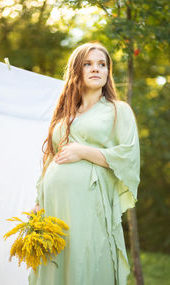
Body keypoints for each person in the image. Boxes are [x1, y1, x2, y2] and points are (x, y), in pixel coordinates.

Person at [28, 42, 140, 285]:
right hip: (54, 205)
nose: (96, 68)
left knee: (85, 259)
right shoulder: (64, 113)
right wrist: (39, 200)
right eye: (88, 64)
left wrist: (83, 151)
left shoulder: (117, 110)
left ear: (108, 72)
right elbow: (50, 158)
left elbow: (128, 157)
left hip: (89, 204)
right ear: (76, 70)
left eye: (102, 64)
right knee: (56, 261)